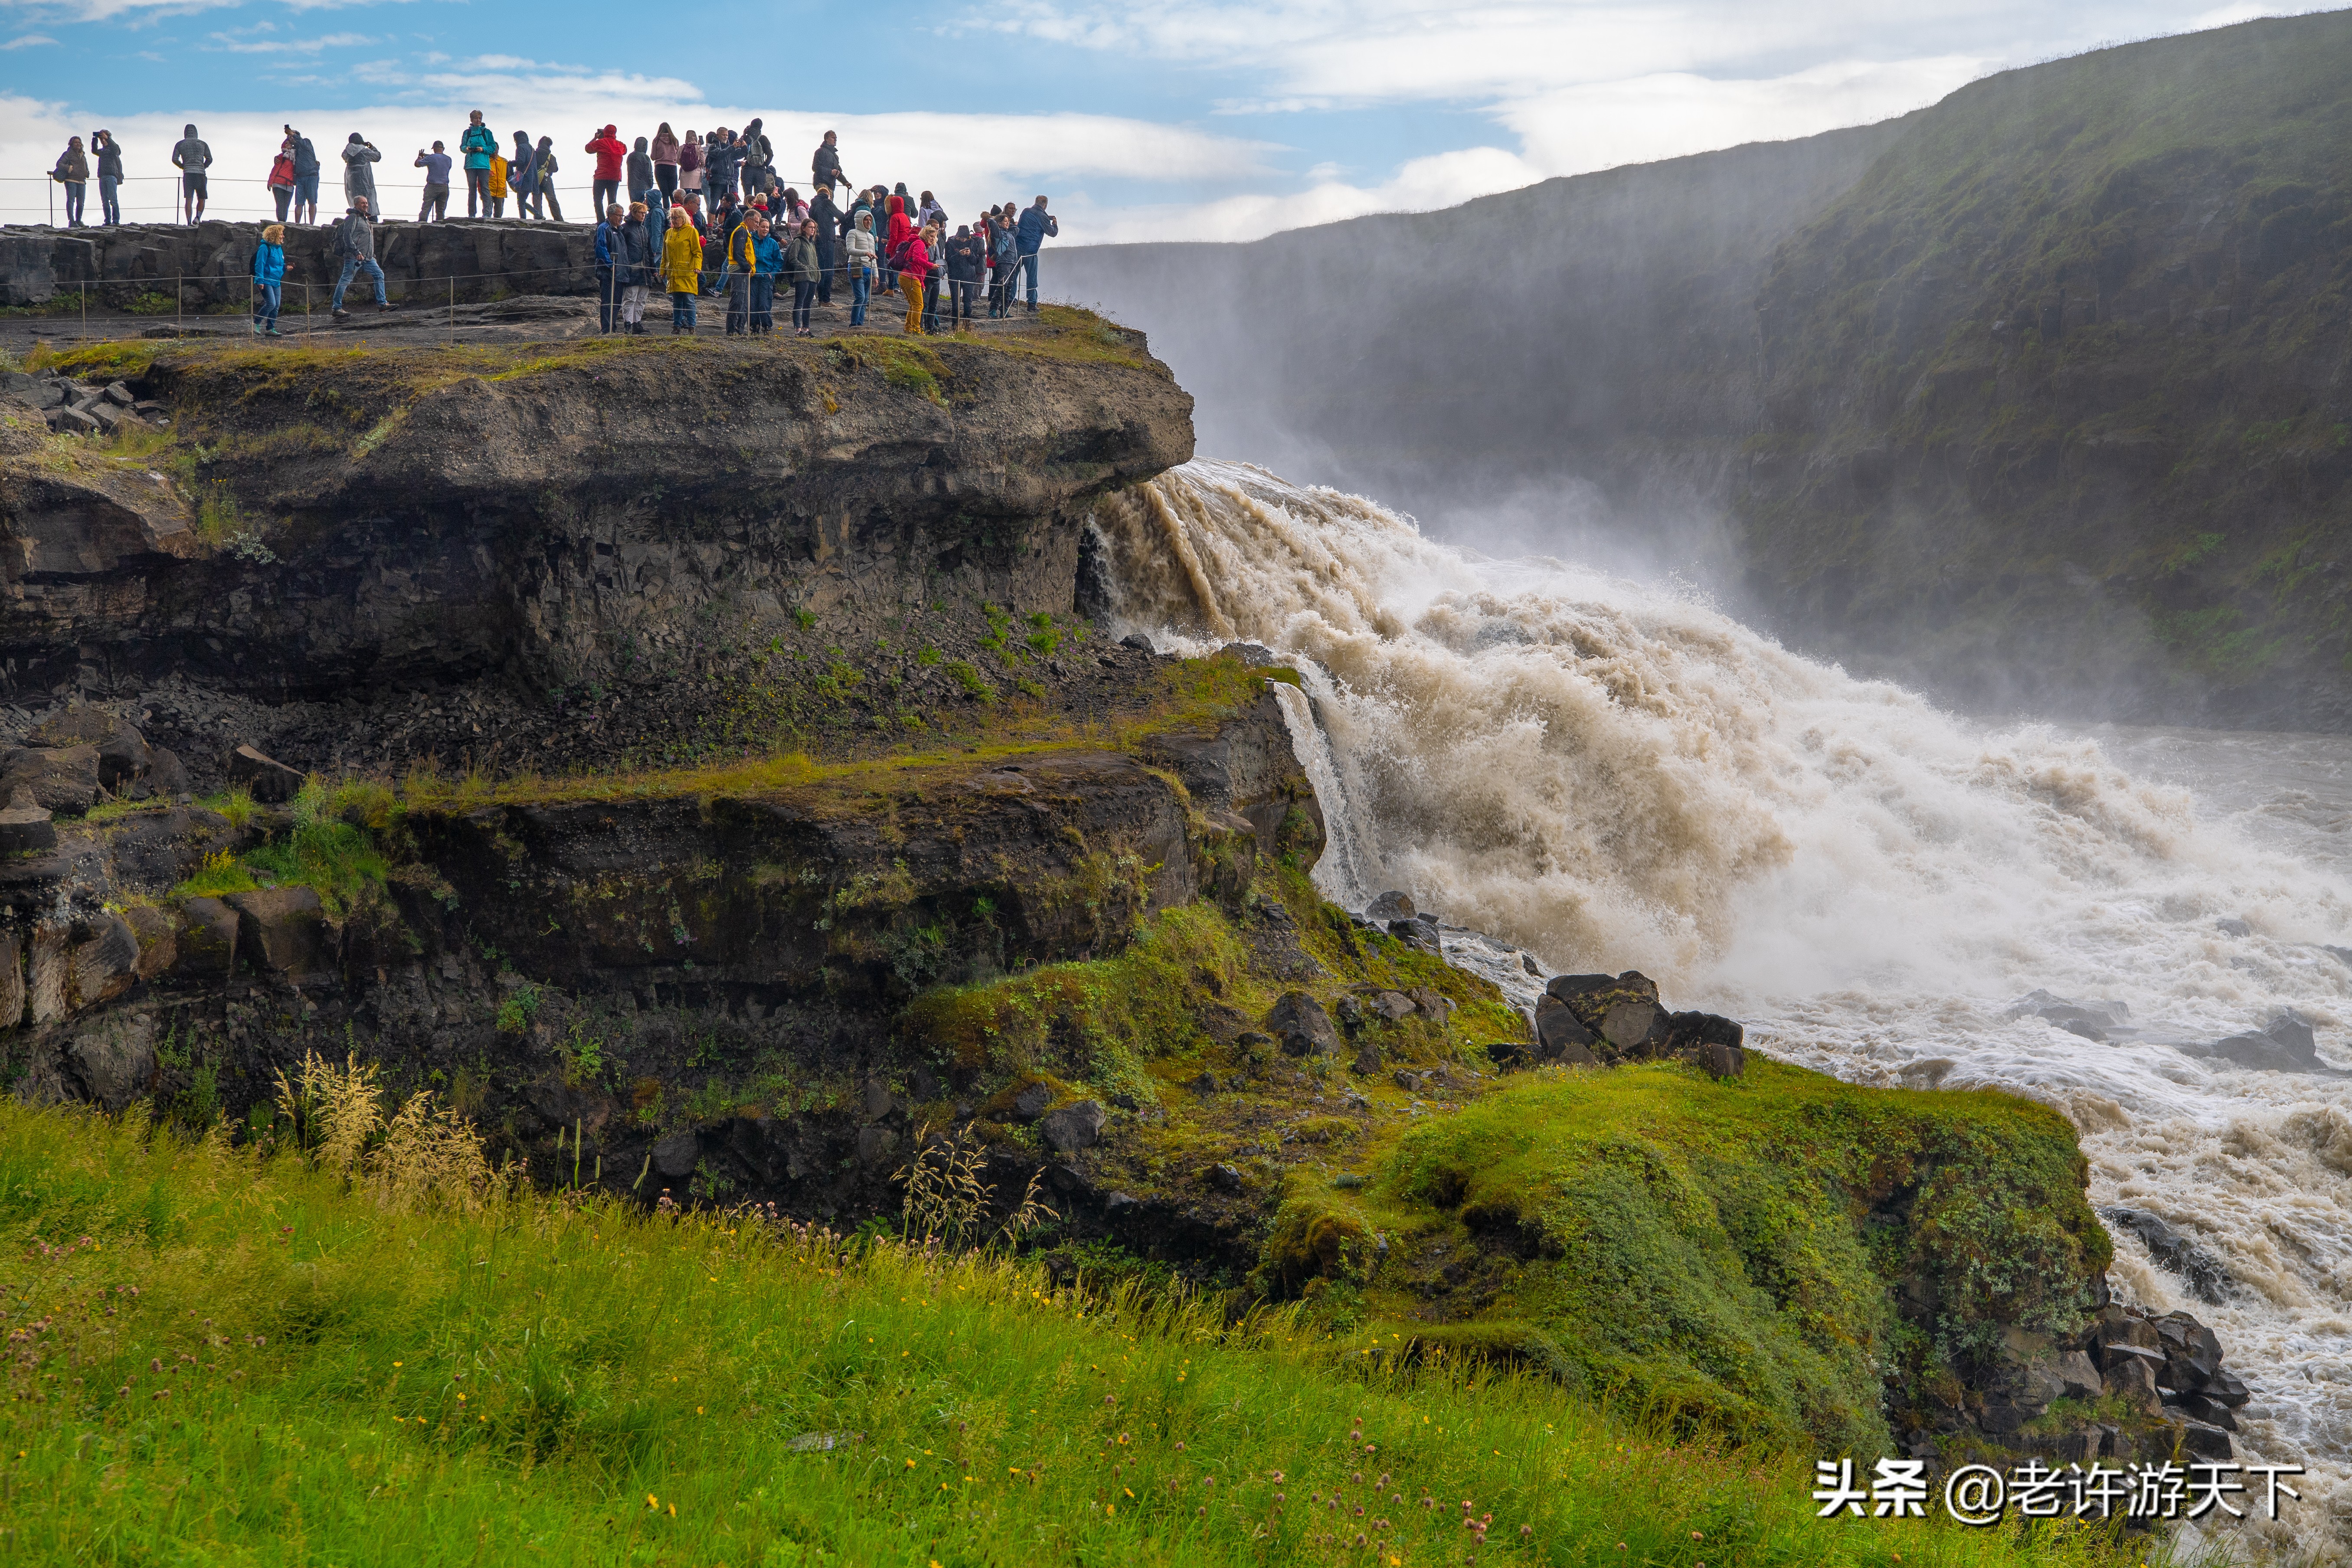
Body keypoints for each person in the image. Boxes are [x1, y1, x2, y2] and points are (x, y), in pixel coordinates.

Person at [329, 196, 396, 318]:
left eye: (366, 203)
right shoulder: (353, 218)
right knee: (346, 280)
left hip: (368, 258)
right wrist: (356, 252)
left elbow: (368, 241)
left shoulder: (365, 220)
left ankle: (382, 305)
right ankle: (336, 308)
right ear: (356, 204)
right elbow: (347, 236)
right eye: (363, 203)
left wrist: (372, 255)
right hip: (354, 257)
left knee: (379, 274)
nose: (366, 205)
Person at [660, 206, 700, 334]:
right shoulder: (669, 233)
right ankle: (676, 326)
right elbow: (664, 254)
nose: (673, 220)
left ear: (683, 218)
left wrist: (697, 267)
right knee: (676, 301)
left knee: (689, 300)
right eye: (672, 218)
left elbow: (697, 253)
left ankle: (692, 326)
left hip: (687, 272)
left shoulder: (692, 232)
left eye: (676, 218)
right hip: (673, 272)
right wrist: (663, 270)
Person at [1015, 195, 1058, 311]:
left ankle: (1009, 299)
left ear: (1035, 202)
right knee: (1032, 278)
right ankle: (1032, 304)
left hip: (1018, 248)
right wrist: (1054, 223)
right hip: (1031, 251)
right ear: (1045, 205)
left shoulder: (1026, 212)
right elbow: (1052, 233)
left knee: (1013, 275)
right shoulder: (1043, 216)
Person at [722, 204, 756, 335]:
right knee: (738, 299)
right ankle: (731, 330)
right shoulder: (741, 231)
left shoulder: (746, 233)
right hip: (739, 270)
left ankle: (739, 329)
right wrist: (747, 267)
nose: (757, 225)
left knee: (744, 302)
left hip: (745, 271)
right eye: (756, 222)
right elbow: (738, 252)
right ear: (749, 220)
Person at [785, 217, 821, 337]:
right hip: (802, 277)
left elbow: (815, 261)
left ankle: (806, 328)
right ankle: (798, 329)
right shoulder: (798, 241)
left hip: (813, 277)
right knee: (799, 303)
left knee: (808, 304)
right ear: (804, 228)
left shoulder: (812, 243)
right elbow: (792, 259)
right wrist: (804, 267)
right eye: (810, 227)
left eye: (814, 228)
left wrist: (817, 272)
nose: (813, 230)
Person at [944, 222, 983, 330]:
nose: (964, 241)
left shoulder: (972, 243)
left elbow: (976, 261)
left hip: (969, 277)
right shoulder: (950, 244)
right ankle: (955, 327)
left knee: (968, 305)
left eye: (966, 238)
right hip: (954, 277)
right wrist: (959, 254)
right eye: (962, 238)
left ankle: (967, 327)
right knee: (955, 304)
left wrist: (970, 255)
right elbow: (948, 260)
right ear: (958, 236)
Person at [593, 203, 625, 333]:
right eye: (618, 215)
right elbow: (601, 248)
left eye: (622, 215)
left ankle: (613, 326)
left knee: (617, 301)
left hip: (620, 272)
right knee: (608, 300)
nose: (621, 218)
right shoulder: (604, 228)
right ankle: (606, 328)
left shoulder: (620, 231)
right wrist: (610, 265)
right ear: (611, 215)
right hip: (608, 272)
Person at [172, 122, 212, 224]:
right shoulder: (203, 144)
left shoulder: (180, 144)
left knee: (189, 198)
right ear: (196, 133)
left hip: (189, 173)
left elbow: (174, 159)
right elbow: (210, 159)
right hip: (200, 174)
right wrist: (204, 166)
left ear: (185, 133)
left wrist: (182, 166)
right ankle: (198, 218)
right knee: (202, 198)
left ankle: (189, 222)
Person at [749, 214, 781, 337]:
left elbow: (779, 261)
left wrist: (772, 275)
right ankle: (754, 326)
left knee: (764, 304)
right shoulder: (750, 240)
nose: (765, 229)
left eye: (767, 227)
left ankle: (767, 327)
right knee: (753, 303)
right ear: (758, 228)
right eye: (763, 227)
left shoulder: (773, 244)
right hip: (753, 277)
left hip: (766, 279)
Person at [252, 223, 287, 336]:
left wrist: (286, 268)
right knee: (271, 303)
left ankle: (270, 329)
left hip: (276, 281)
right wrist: (260, 280)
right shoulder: (264, 248)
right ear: (275, 235)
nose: (283, 237)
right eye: (281, 234)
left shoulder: (279, 249)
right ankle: (256, 323)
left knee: (276, 306)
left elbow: (279, 266)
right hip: (266, 279)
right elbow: (259, 264)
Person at [460, 111, 497, 217]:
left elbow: (492, 147)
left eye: (480, 118)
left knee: (485, 188)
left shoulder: (487, 132)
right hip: (470, 164)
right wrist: (467, 149)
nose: (478, 120)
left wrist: (482, 149)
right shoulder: (467, 133)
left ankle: (487, 214)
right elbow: (462, 147)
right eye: (476, 118)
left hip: (483, 164)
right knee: (472, 189)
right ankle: (472, 214)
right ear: (472, 120)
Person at [898, 222, 933, 336]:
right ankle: (916, 330)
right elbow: (916, 259)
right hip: (910, 277)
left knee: (914, 304)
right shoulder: (920, 244)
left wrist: (922, 284)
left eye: (934, 237)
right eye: (931, 236)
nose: (933, 239)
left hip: (909, 277)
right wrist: (931, 265)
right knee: (919, 305)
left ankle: (909, 328)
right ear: (925, 235)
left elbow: (918, 268)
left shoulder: (919, 244)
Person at [844, 208, 876, 327]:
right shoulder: (853, 233)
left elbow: (874, 258)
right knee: (861, 297)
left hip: (869, 270)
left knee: (865, 300)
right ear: (859, 221)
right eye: (866, 220)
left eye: (870, 220)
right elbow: (850, 250)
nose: (868, 222)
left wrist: (876, 275)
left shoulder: (871, 237)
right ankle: (854, 324)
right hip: (857, 267)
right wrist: (865, 253)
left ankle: (860, 325)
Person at [808, 183, 839, 305]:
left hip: (817, 238)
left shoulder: (813, 206)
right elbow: (840, 215)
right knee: (829, 270)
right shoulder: (827, 202)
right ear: (829, 195)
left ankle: (820, 298)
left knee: (820, 269)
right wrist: (838, 222)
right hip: (828, 239)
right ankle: (826, 299)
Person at [49, 137, 88, 227]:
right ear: (72, 144)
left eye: (79, 143)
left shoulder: (83, 156)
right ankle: (72, 221)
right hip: (71, 180)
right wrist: (69, 168)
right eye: (76, 143)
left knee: (81, 202)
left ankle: (79, 221)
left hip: (82, 181)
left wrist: (87, 173)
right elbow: (59, 164)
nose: (78, 144)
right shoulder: (68, 154)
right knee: (71, 201)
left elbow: (86, 167)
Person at [586, 124, 625, 215]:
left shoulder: (601, 142)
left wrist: (595, 138)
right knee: (612, 201)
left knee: (598, 199)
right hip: (615, 178)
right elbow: (625, 150)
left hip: (601, 176)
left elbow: (588, 148)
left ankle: (601, 220)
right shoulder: (621, 145)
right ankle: (612, 220)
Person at [988, 210, 1018, 318]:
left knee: (1008, 287)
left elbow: (1017, 229)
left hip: (1013, 262)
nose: (1008, 223)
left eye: (1008, 222)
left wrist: (1011, 222)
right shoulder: (998, 234)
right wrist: (995, 218)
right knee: (1002, 286)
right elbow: (991, 222)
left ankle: (1004, 310)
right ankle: (993, 309)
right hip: (1004, 262)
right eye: (1005, 221)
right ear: (999, 223)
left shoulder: (1010, 233)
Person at [342, 133, 381, 216]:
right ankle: (372, 220)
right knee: (369, 201)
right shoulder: (364, 151)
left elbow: (344, 156)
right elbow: (377, 157)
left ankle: (358, 218)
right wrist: (372, 148)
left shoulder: (347, 152)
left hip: (353, 181)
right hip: (365, 180)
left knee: (357, 201)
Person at [288, 126, 319, 224]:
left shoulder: (306, 143)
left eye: (293, 136)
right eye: (290, 137)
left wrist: (293, 134)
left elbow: (303, 143)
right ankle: (297, 224)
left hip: (311, 175)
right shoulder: (294, 151)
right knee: (299, 203)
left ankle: (312, 224)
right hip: (300, 177)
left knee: (312, 201)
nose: (291, 138)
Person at [415, 140, 453, 221]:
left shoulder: (430, 158)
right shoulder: (449, 159)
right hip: (444, 187)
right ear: (443, 149)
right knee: (441, 211)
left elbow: (417, 164)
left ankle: (422, 224)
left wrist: (420, 157)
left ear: (434, 149)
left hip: (432, 186)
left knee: (426, 208)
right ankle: (440, 228)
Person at [92, 130, 122, 226]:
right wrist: (95, 139)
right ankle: (108, 221)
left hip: (111, 176)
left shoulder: (113, 150)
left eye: (103, 138)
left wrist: (108, 138)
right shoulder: (103, 151)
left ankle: (116, 221)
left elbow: (117, 150)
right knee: (105, 201)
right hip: (103, 176)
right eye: (102, 139)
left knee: (113, 200)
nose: (103, 140)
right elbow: (94, 151)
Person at [740, 118, 772, 201]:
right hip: (760, 170)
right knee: (759, 197)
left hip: (747, 169)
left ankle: (748, 212)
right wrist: (765, 165)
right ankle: (758, 213)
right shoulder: (763, 139)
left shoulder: (745, 138)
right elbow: (770, 154)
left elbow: (739, 152)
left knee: (748, 196)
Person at [509, 130, 538, 220]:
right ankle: (537, 215)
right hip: (532, 179)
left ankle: (524, 219)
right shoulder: (531, 148)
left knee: (521, 201)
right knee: (523, 200)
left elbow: (521, 161)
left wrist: (511, 164)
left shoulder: (521, 147)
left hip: (524, 179)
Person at [268, 134, 297, 223]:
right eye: (287, 144)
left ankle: (283, 223)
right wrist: (270, 183)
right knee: (280, 204)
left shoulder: (296, 157)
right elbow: (275, 170)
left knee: (286, 206)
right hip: (278, 184)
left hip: (289, 185)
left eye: (290, 144)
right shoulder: (281, 157)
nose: (289, 145)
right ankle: (282, 222)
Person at [533, 137, 563, 222]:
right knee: (552, 199)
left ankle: (538, 217)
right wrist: (547, 172)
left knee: (537, 199)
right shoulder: (551, 157)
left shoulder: (534, 154)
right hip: (547, 180)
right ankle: (558, 219)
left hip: (536, 179)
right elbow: (555, 169)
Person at [650, 123, 680, 198]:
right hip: (672, 167)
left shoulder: (656, 141)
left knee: (664, 194)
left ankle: (666, 209)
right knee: (673, 193)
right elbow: (678, 156)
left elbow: (653, 157)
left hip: (660, 167)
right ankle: (675, 209)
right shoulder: (675, 140)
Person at [812, 130, 844, 194]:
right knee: (825, 200)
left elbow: (839, 172)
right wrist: (831, 172)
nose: (835, 140)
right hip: (821, 183)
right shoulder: (820, 152)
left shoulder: (835, 157)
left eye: (836, 139)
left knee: (828, 203)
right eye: (833, 138)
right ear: (827, 139)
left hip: (831, 186)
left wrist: (846, 182)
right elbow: (815, 167)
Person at [626, 135, 653, 204]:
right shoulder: (645, 157)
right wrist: (651, 184)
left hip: (632, 186)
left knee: (634, 207)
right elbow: (649, 173)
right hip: (643, 186)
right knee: (642, 208)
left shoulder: (631, 156)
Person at [679, 131, 703, 208]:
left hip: (684, 176)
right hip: (696, 176)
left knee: (685, 199)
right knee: (696, 198)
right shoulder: (698, 148)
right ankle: (695, 213)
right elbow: (704, 161)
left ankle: (686, 213)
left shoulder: (682, 148)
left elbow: (678, 161)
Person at [486, 147, 508, 218]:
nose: (495, 150)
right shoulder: (486, 162)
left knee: (499, 214)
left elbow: (510, 176)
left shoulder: (504, 162)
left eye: (496, 148)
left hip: (501, 191)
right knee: (488, 213)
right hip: (489, 191)